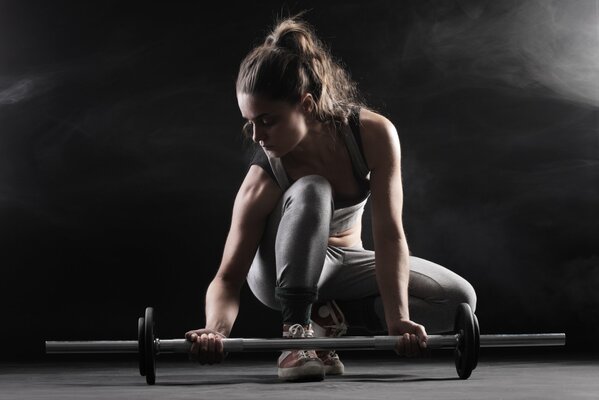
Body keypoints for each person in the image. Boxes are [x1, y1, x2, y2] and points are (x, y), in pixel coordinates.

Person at [185, 13, 477, 382]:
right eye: (250, 122)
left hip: (344, 266)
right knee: (312, 187)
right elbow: (228, 277)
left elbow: (389, 235)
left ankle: (329, 324)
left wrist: (397, 317)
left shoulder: (372, 134)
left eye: (268, 120)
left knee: (457, 300)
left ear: (306, 105)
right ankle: (296, 336)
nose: (257, 136)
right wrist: (216, 331)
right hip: (277, 276)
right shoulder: (262, 177)